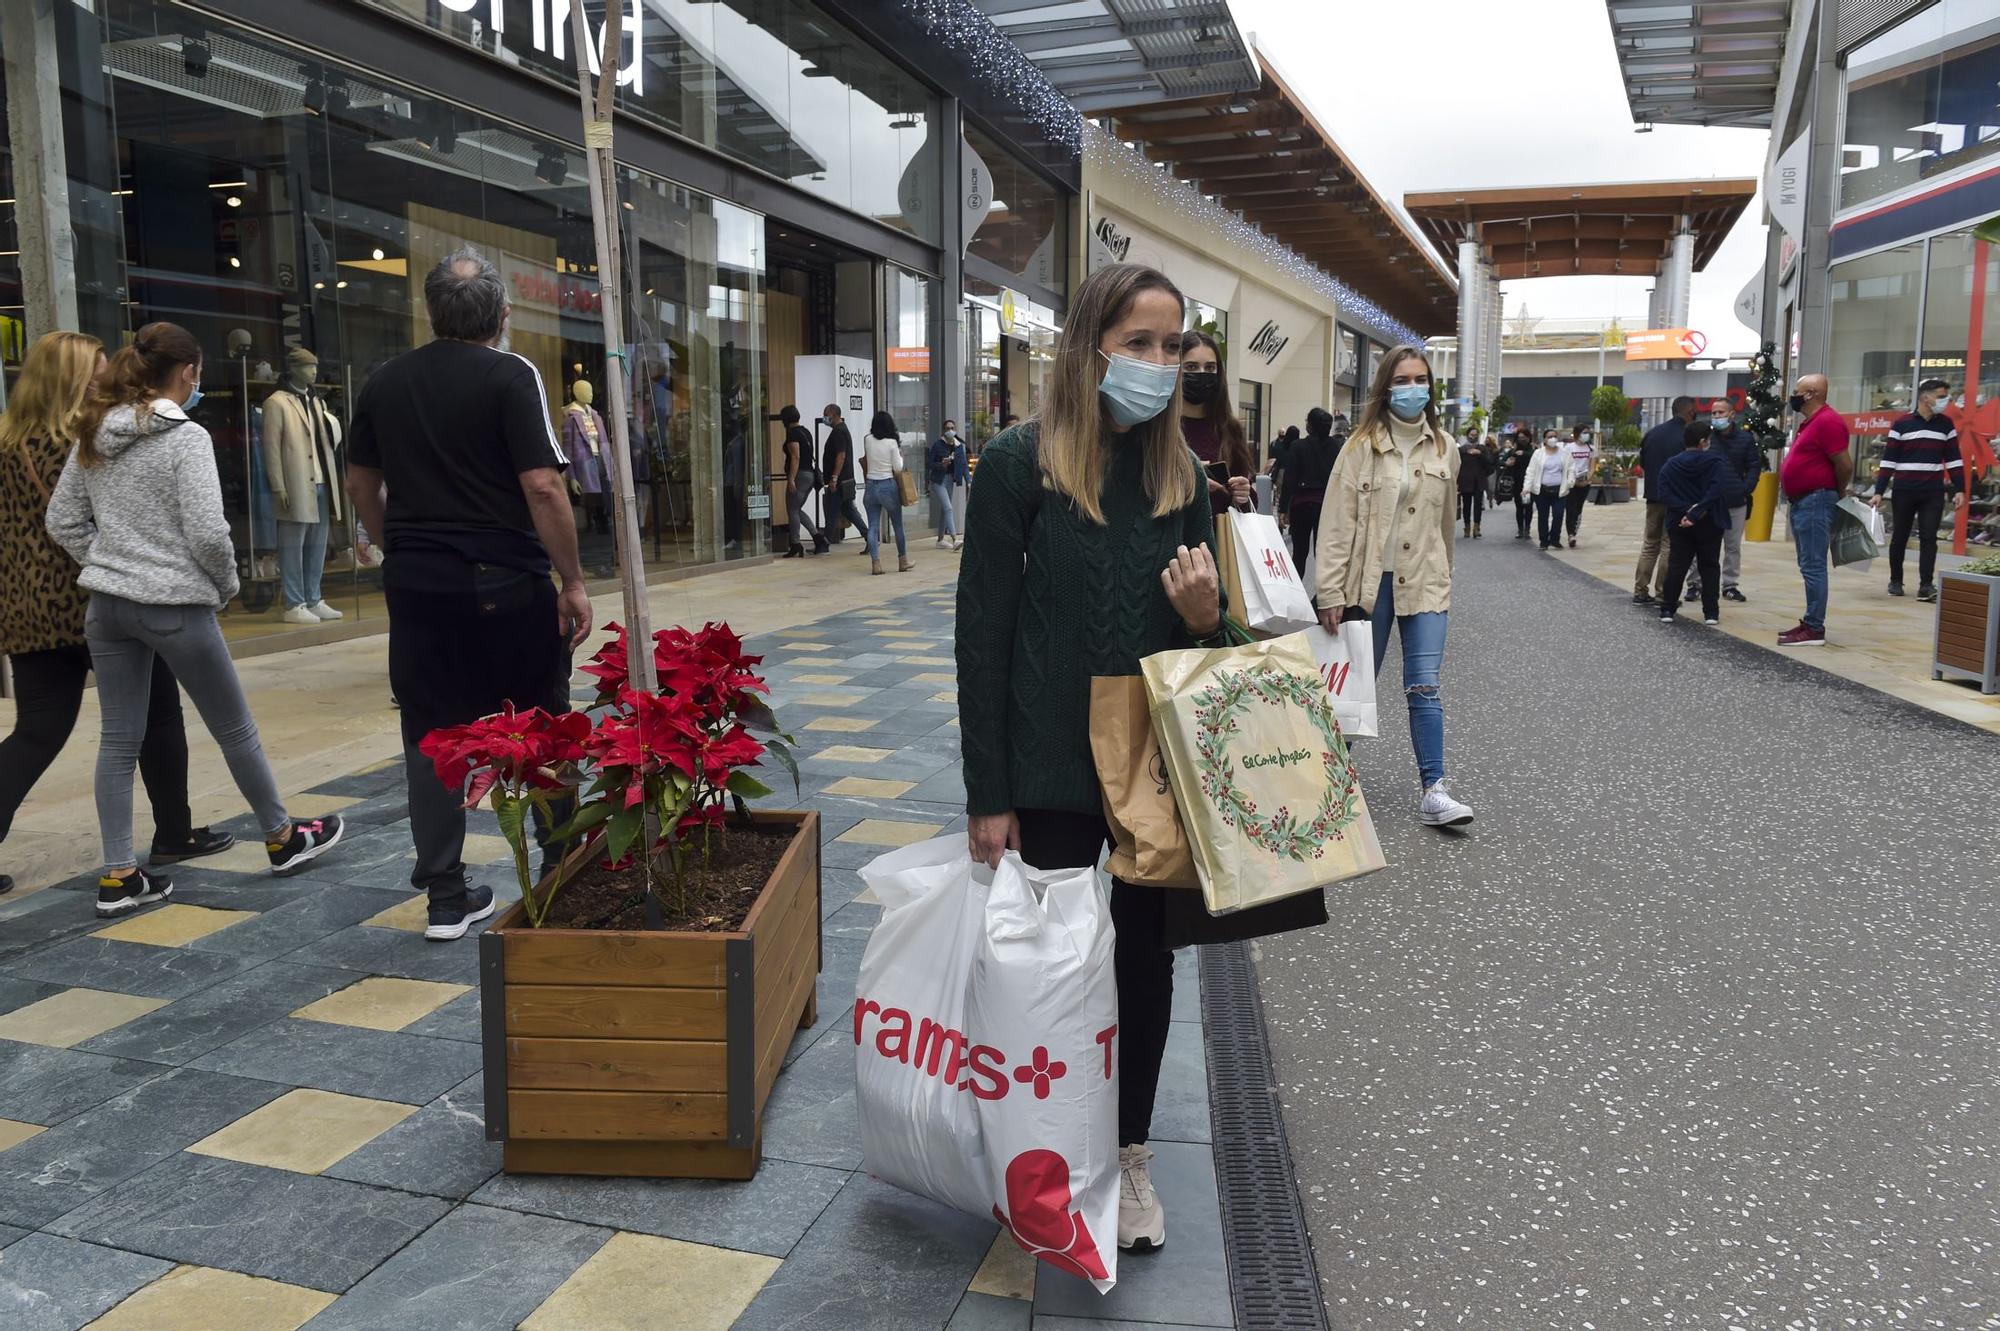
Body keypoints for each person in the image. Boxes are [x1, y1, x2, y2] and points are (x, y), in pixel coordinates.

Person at [958, 262, 1226, 1253]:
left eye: (1173, 348)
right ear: (1087, 345)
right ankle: (1048, 1148)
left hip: (1149, 773)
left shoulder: (1181, 479)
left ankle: (1129, 1154)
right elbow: (981, 633)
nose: (1158, 365)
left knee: (1143, 967)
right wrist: (987, 790)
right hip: (1049, 767)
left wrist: (1207, 617)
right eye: (1138, 342)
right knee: (1056, 969)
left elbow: (1215, 655)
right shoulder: (1017, 465)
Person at [47, 322, 345, 917]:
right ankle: (283, 837)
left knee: (117, 740)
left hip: (108, 607)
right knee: (234, 727)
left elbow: (63, 520)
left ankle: (119, 875)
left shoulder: (94, 433)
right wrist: (225, 586)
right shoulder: (186, 438)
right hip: (174, 604)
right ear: (188, 373)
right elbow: (209, 532)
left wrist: (108, 564)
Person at [344, 249, 591, 941]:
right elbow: (542, 486)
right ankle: (559, 865)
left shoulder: (386, 380)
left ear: (430, 312)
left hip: (420, 586)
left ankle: (446, 896)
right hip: (506, 582)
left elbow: (362, 483)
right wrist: (571, 580)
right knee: (540, 722)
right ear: (503, 315)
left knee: (430, 731)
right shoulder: (513, 376)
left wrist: (400, 546)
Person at [0, 332, 234, 898]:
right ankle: (174, 832)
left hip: (29, 606)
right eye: (99, 370)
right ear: (76, 379)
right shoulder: (90, 441)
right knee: (156, 714)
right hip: (100, 598)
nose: (108, 378)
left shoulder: (9, 443)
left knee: (38, 730)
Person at [1314, 344, 1474, 829]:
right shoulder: (1360, 446)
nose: (1412, 389)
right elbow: (1337, 523)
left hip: (1425, 583)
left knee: (1425, 686)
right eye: (1402, 380)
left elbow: (1447, 523)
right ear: (1386, 387)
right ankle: (1324, 779)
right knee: (1352, 684)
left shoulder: (1446, 448)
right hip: (1369, 586)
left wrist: (1445, 573)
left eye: (1420, 379)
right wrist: (1330, 590)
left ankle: (1435, 790)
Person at [1872, 377, 1965, 601]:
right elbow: (1888, 461)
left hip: (1933, 491)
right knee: (1900, 537)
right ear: (1925, 397)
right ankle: (1895, 580)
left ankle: (1926, 585)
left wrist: (1960, 490)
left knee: (1929, 538)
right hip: (1904, 490)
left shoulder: (1946, 424)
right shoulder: (1902, 424)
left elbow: (1953, 460)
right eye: (1941, 396)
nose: (1946, 401)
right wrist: (1878, 491)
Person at [1777, 373, 1851, 647]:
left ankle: (1814, 627)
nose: (1793, 396)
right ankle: (1810, 622)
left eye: (1797, 391)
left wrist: (1838, 491)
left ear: (1811, 393)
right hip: (1805, 501)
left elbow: (1844, 464)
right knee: (1808, 564)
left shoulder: (1828, 421)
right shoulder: (1812, 422)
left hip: (1816, 500)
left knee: (1813, 565)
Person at [1654, 420, 1731, 626]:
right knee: (1709, 565)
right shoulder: (1715, 462)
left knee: (1677, 565)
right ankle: (1711, 612)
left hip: (1680, 522)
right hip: (1710, 521)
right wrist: (1698, 510)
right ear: (1703, 441)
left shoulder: (1671, 464)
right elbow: (1716, 490)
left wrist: (1686, 510)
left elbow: (1664, 493)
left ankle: (1667, 609)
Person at [1176, 331, 1255, 517]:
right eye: (1191, 367)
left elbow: (1249, 503)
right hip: (1171, 538)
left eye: (1210, 368)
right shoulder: (1157, 428)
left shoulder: (1229, 429)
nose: (1201, 374)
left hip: (1221, 540)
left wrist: (1244, 493)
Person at [1633, 396, 1698, 604]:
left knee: (1649, 544)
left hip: (1653, 497)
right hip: (1676, 500)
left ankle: (1640, 591)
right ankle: (1663, 593)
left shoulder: (1653, 434)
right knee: (1668, 546)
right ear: (1689, 413)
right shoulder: (1687, 436)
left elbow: (1643, 462)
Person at [1711, 401, 1765, 603]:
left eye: (1721, 412)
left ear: (1732, 414)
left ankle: (1730, 585)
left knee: (1732, 546)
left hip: (1736, 501)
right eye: (1714, 413)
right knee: (1705, 545)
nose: (1716, 416)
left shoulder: (1745, 439)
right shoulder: (1707, 438)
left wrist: (1745, 488)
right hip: (1711, 501)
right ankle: (1696, 584)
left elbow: (1753, 465)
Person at [1279, 408, 1342, 572]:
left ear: (1310, 425)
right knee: (1322, 553)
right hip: (1326, 505)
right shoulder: (1337, 447)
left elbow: (1289, 479)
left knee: (1299, 553)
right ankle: (1322, 593)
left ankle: (1295, 592)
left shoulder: (1298, 446)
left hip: (1301, 504)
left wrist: (1283, 508)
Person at [862, 409, 913, 575]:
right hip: (888, 486)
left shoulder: (867, 439)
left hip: (870, 486)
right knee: (897, 525)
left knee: (873, 527)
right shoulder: (891, 443)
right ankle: (903, 561)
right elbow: (898, 468)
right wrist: (901, 455)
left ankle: (876, 564)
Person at [777, 405, 824, 558]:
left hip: (800, 476)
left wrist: (791, 479)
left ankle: (796, 544)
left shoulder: (792, 434)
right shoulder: (806, 432)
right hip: (809, 475)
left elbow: (795, 457)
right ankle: (818, 539)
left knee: (792, 510)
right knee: (797, 509)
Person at [820, 404, 869, 548]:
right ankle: (869, 537)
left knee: (831, 510)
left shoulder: (839, 432)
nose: (824, 417)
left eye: (826, 414)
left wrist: (834, 478)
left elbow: (841, 456)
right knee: (847, 509)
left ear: (834, 414)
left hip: (840, 480)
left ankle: (825, 543)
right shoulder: (841, 430)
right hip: (846, 479)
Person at [1523, 430, 1574, 550]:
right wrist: (1526, 488)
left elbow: (1571, 469)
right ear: (1544, 439)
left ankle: (1555, 539)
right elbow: (1531, 471)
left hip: (1559, 490)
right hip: (1542, 490)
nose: (1553, 439)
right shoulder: (1538, 454)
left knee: (1558, 514)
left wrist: (1570, 482)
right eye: (1550, 437)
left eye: (1555, 436)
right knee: (1543, 516)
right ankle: (1544, 541)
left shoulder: (1565, 453)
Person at [927, 419, 968, 550]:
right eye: (947, 428)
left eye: (952, 428)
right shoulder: (937, 445)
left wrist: (969, 480)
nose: (950, 430)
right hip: (938, 480)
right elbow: (929, 464)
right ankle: (955, 538)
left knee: (945, 510)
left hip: (950, 480)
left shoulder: (958, 445)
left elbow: (964, 465)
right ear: (943, 431)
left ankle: (940, 540)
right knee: (948, 508)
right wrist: (941, 464)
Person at [1561, 426, 1597, 547]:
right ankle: (1571, 534)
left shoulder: (1591, 449)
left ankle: (1574, 531)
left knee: (1578, 508)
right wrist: (1573, 480)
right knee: (1570, 508)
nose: (1587, 435)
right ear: (1577, 434)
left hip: (1584, 483)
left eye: (1588, 433)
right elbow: (1565, 466)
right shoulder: (1568, 448)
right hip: (1571, 483)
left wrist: (1587, 479)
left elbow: (1592, 467)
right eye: (1584, 433)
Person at [1497, 431, 1534, 538]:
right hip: (1516, 483)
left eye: (1524, 437)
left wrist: (1524, 454)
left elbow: (1536, 459)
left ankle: (1527, 529)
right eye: (1520, 437)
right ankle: (1520, 529)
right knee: (1519, 507)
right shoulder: (1513, 451)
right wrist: (1507, 463)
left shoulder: (1532, 450)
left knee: (1528, 506)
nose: (1522, 440)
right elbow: (1501, 461)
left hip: (1528, 484)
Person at [1457, 432, 1493, 538]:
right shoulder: (1462, 450)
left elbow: (1489, 463)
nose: (1473, 437)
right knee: (1466, 505)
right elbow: (1457, 465)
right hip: (1465, 480)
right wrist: (1457, 480)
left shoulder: (1482, 449)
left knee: (1478, 505)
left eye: (1475, 434)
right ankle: (1466, 527)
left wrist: (1479, 454)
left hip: (1479, 480)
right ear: (1467, 435)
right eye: (1471, 435)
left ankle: (1477, 527)